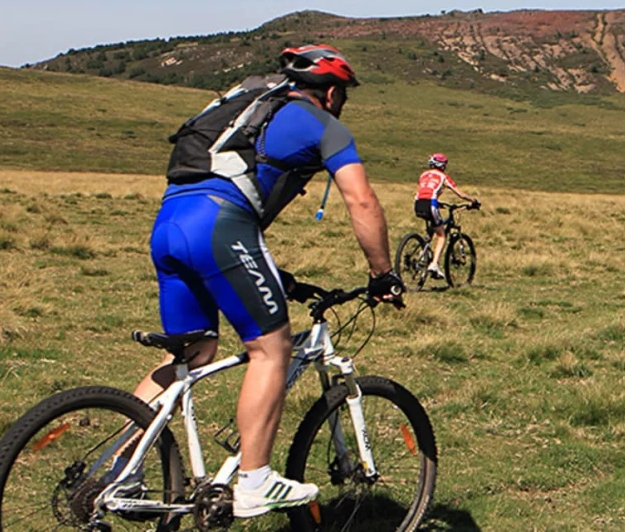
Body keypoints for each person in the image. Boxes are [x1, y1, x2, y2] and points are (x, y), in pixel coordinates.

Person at [134, 45, 404, 518]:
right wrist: (383, 273)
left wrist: (276, 276)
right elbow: (361, 202)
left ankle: (123, 468)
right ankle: (255, 480)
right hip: (219, 225)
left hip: (171, 223)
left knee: (191, 354)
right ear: (334, 92)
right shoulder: (324, 124)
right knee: (271, 348)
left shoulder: (245, 107)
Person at [414, 153, 480, 279]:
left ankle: (423, 253)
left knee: (432, 228)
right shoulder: (443, 176)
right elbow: (460, 194)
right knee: (441, 235)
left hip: (418, 203)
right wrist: (473, 200)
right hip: (431, 204)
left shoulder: (423, 175)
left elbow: (425, 191)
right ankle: (434, 264)